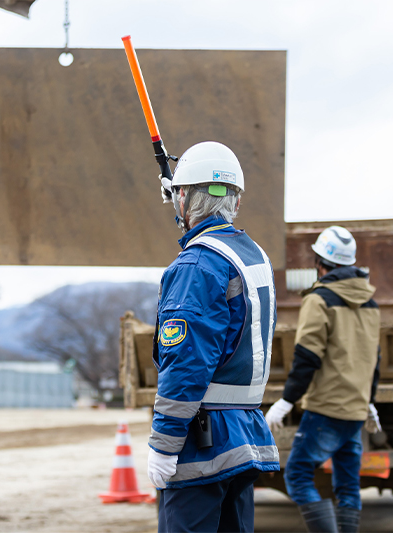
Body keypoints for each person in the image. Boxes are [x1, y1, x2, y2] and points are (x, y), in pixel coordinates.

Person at [147, 141, 280, 533]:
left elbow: (186, 363)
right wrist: (181, 197)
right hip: (242, 435)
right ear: (235, 200)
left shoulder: (197, 265)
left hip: (203, 442)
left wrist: (164, 442)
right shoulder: (252, 254)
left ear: (185, 197)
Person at [264, 226, 382, 533]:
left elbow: (307, 357)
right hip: (355, 410)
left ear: (320, 263)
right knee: (347, 485)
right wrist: (369, 401)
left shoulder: (319, 300)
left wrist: (286, 401)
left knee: (298, 475)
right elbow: (374, 359)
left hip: (326, 410)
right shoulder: (371, 304)